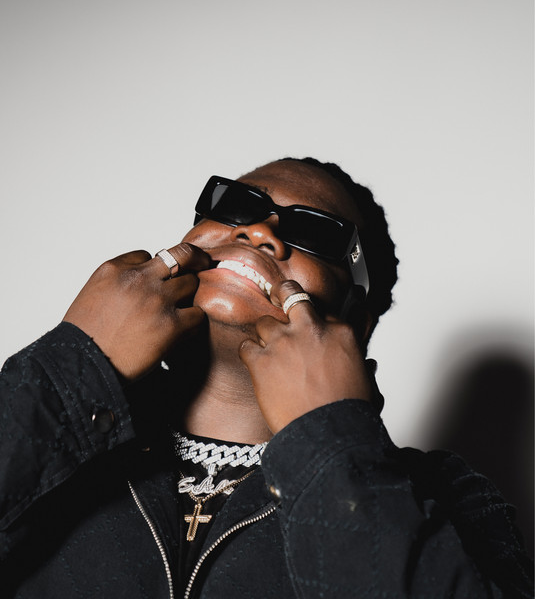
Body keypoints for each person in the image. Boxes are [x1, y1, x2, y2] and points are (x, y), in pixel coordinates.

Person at [0, 157, 532, 598]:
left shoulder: (445, 496)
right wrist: (74, 368)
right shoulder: (67, 444)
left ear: (355, 322)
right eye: (235, 205)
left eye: (314, 233)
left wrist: (329, 441)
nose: (259, 232)